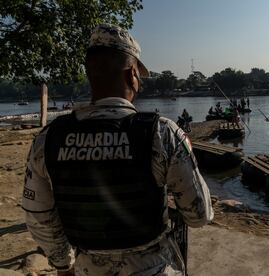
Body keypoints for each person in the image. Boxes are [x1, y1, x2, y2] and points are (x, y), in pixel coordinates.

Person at [22, 24, 213, 276]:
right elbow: (199, 215)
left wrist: (63, 264)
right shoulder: (161, 133)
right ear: (132, 74)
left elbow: (38, 215)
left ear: (90, 74)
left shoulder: (48, 138)